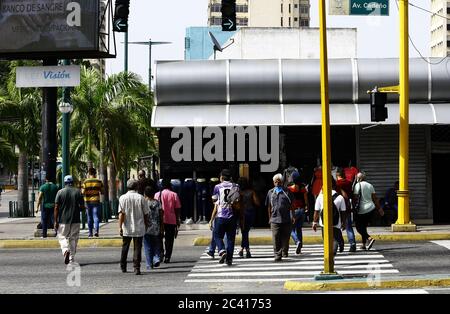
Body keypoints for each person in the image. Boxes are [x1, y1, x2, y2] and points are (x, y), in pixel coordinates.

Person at [212, 169, 242, 266]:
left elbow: (214, 200)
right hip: (232, 216)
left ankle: (221, 250)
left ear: (221, 177)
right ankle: (229, 260)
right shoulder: (236, 186)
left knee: (217, 235)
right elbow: (238, 199)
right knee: (230, 239)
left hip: (220, 216)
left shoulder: (217, 187)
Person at [119, 179, 149, 275]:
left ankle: (123, 266)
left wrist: (120, 226)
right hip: (139, 226)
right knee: (137, 247)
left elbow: (121, 214)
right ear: (136, 187)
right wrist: (146, 224)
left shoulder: (122, 198)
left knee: (125, 246)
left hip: (127, 227)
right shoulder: (141, 198)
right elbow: (146, 214)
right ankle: (137, 267)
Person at [54, 175, 85, 265]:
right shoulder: (78, 192)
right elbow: (82, 207)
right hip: (75, 219)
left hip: (63, 220)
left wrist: (55, 221)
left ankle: (65, 250)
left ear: (65, 183)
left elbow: (56, 207)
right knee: (73, 238)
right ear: (72, 182)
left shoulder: (60, 192)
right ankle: (71, 258)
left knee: (62, 236)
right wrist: (81, 208)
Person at [312, 178, 346, 256]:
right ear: (334, 186)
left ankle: (330, 255)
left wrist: (314, 222)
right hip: (336, 223)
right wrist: (344, 223)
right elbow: (343, 212)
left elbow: (316, 211)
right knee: (335, 240)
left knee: (326, 241)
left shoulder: (320, 197)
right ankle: (333, 253)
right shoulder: (340, 197)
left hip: (324, 223)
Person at [266, 174, 294, 262]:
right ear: (273, 183)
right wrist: (270, 218)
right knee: (275, 237)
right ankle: (277, 254)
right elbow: (269, 206)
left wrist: (293, 216)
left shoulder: (288, 192)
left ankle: (284, 251)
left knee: (285, 237)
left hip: (286, 219)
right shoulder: (270, 192)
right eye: (275, 182)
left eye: (279, 181)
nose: (277, 183)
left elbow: (292, 205)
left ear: (282, 182)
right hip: (274, 219)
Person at [353, 172, 384, 250]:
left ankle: (369, 238)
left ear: (359, 178)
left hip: (361, 209)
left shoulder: (357, 185)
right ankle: (363, 245)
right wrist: (380, 209)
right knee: (364, 227)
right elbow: (375, 199)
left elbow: (356, 198)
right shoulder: (370, 185)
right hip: (370, 209)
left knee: (359, 228)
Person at [155, 178, 182, 263]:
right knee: (169, 239)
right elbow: (177, 209)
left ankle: (161, 252)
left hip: (160, 220)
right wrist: (178, 220)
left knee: (159, 238)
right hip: (171, 220)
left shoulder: (157, 195)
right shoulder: (174, 194)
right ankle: (167, 256)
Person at [237, 177, 260, 258]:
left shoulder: (239, 193)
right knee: (245, 232)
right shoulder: (252, 192)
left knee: (244, 232)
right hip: (251, 213)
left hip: (242, 214)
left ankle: (247, 250)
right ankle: (242, 249)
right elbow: (257, 203)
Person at [335, 168, 357, 252]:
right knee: (348, 227)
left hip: (339, 207)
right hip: (347, 206)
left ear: (337, 176)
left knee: (337, 227)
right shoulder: (349, 183)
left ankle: (340, 243)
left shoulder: (337, 184)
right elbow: (351, 195)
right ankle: (352, 244)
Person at [287, 171, 309, 255]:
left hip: (293, 210)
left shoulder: (289, 189)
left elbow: (288, 201)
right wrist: (306, 207)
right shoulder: (303, 188)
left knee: (290, 228)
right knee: (299, 229)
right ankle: (300, 248)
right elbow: (306, 199)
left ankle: (297, 241)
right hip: (302, 210)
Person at [143, 186, 163, 270]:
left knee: (147, 246)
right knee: (156, 245)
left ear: (145, 194)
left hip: (146, 227)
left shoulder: (144, 203)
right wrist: (162, 226)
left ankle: (149, 264)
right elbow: (161, 215)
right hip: (156, 227)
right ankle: (156, 258)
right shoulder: (158, 203)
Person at [81, 168, 103, 238]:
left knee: (89, 217)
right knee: (96, 216)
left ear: (88, 173)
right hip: (96, 201)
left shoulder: (85, 182)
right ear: (95, 173)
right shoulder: (99, 181)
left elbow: (82, 192)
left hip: (87, 201)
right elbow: (102, 192)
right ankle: (96, 231)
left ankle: (90, 233)